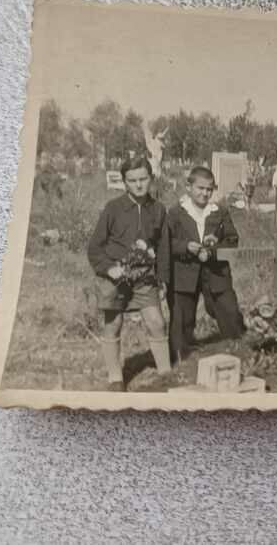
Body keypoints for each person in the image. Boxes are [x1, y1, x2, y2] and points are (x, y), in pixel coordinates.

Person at [85, 157, 171, 392]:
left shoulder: (159, 209)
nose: (139, 185)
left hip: (144, 278)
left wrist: (163, 279)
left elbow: (164, 248)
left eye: (143, 179)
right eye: (132, 180)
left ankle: (166, 376)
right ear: (124, 182)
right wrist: (108, 268)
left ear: (151, 179)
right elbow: (94, 248)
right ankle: (115, 378)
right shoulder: (113, 208)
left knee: (156, 321)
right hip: (115, 277)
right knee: (113, 324)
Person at [165, 166, 245, 359]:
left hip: (215, 272)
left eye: (209, 189)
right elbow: (166, 244)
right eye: (200, 188)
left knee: (229, 311)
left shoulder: (219, 212)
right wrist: (186, 247)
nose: (205, 193)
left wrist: (215, 246)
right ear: (188, 187)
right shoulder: (176, 213)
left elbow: (233, 241)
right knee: (181, 319)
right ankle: (179, 356)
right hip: (184, 273)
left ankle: (239, 348)